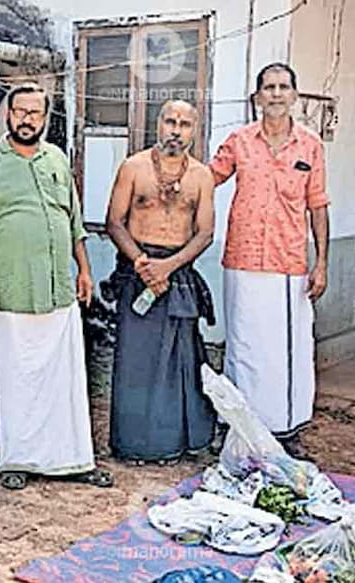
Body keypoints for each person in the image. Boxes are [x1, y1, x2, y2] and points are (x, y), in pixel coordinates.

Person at [0, 83, 112, 490]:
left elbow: (73, 221)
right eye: (20, 112)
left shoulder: (57, 160)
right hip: (11, 291)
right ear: (8, 115)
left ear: (46, 119)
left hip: (59, 289)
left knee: (66, 379)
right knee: (16, 378)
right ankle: (19, 460)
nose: (27, 119)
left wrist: (83, 270)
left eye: (35, 113)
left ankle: (73, 459)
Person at [209, 62, 330, 455]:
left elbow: (318, 206)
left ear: (294, 95)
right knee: (242, 346)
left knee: (284, 352)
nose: (276, 94)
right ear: (257, 97)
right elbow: (206, 179)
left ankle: (285, 429)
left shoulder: (310, 145)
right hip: (242, 260)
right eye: (268, 87)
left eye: (283, 87)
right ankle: (237, 424)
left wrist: (322, 262)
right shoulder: (239, 142)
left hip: (287, 263)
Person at [105, 99, 217, 464]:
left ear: (194, 130)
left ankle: (174, 443)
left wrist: (168, 267)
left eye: (185, 124)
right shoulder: (133, 167)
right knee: (135, 362)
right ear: (158, 124)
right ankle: (133, 444)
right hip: (137, 270)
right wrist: (142, 264)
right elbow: (115, 222)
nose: (176, 130)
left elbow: (204, 233)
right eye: (170, 121)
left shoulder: (201, 176)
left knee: (177, 362)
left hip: (177, 271)